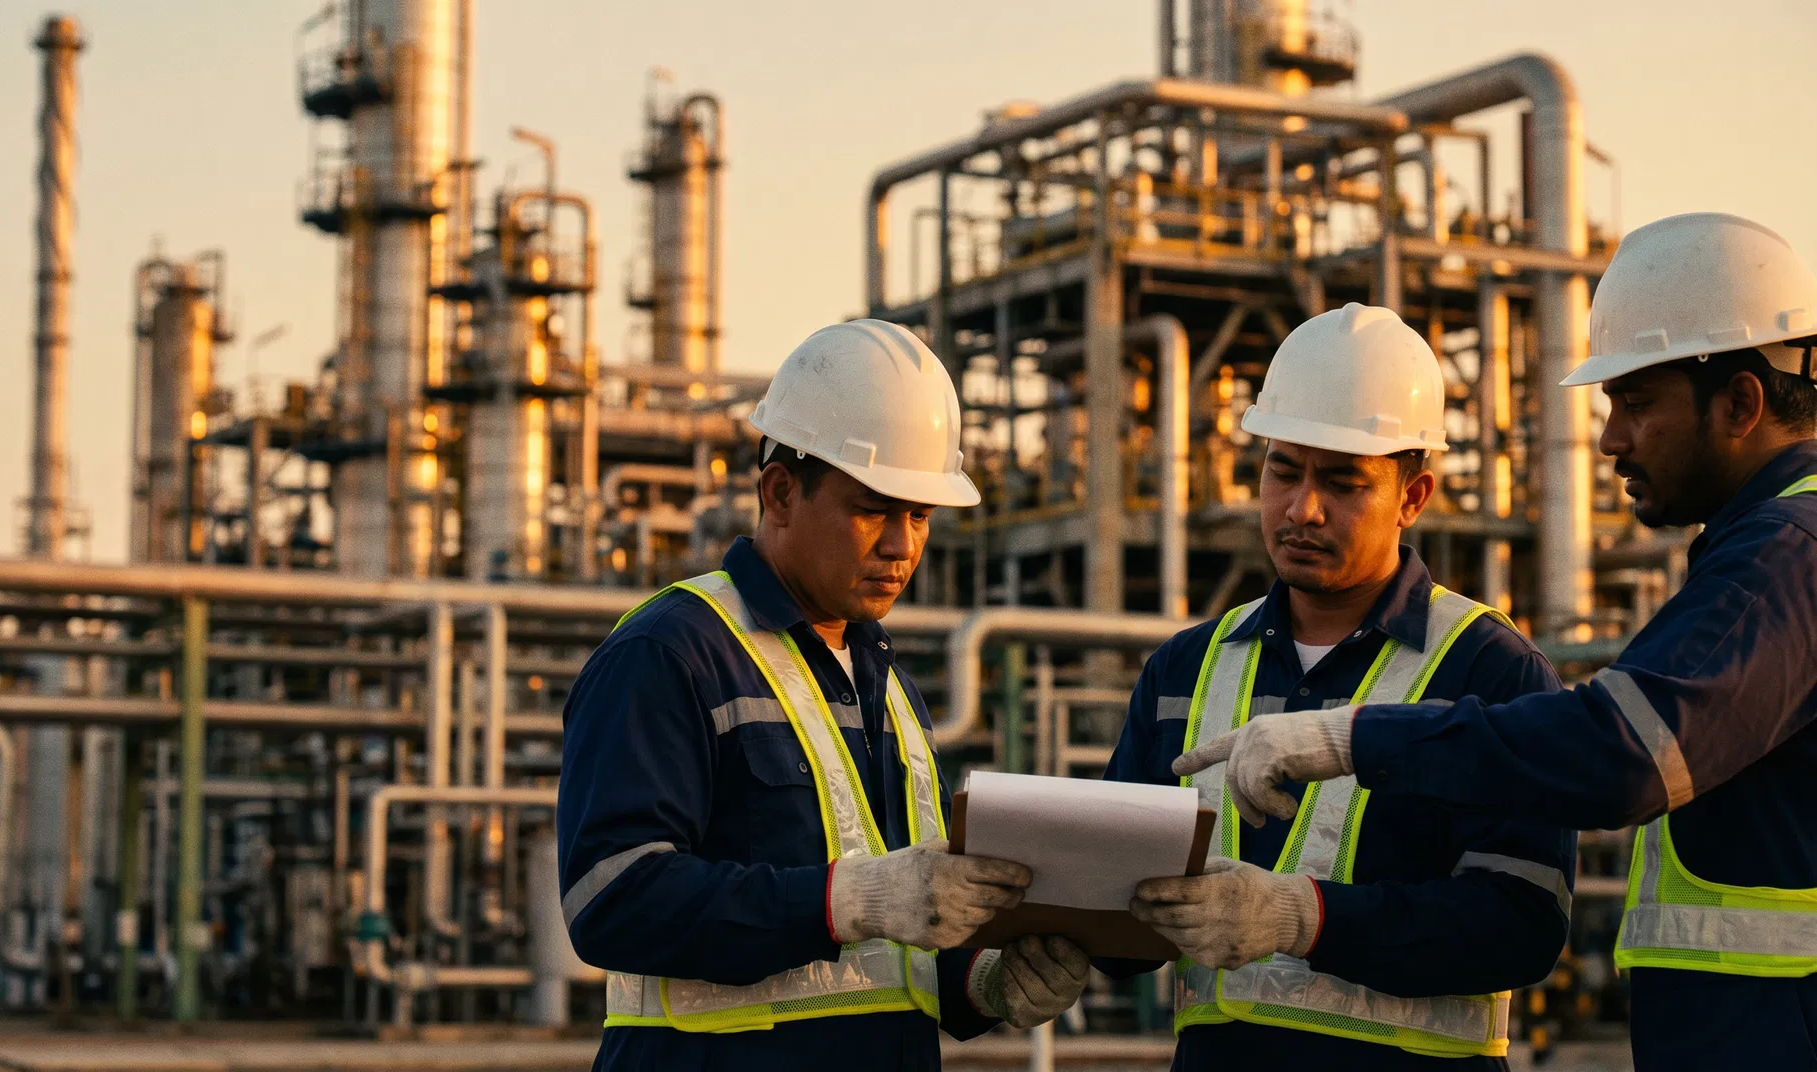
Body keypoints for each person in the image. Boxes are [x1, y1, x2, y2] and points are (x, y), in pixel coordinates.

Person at [1171, 213, 1817, 1070]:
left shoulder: (1786, 555)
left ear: (1740, 402)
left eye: (1635, 403)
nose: (1609, 438)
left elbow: (1624, 752)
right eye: (1283, 469)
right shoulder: (1189, 663)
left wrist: (1352, 741)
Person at [558, 319, 1090, 1071]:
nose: (902, 546)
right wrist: (847, 899)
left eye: (920, 515)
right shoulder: (671, 653)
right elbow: (610, 899)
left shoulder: (886, 681)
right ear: (780, 492)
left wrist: (986, 982)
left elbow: (893, 950)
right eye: (873, 509)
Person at [1100, 303, 1575, 1069]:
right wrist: (1052, 932)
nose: (1303, 509)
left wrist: (1305, 918)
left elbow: (1521, 926)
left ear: (1413, 497)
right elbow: (1120, 912)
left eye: (1343, 483)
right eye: (1283, 470)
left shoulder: (1491, 671)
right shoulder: (1185, 669)